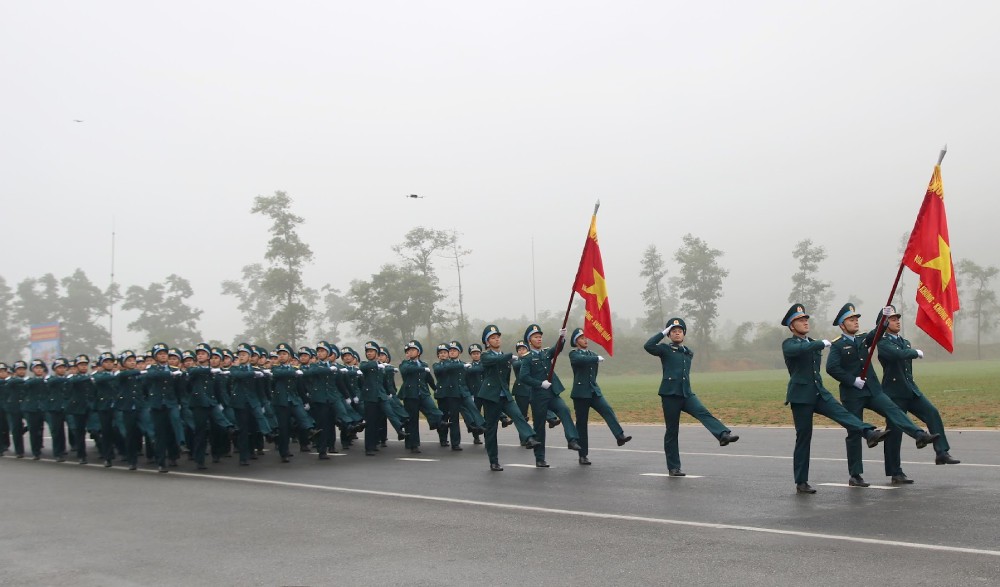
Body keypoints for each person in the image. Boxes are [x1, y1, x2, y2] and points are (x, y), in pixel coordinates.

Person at [825, 303, 939, 487]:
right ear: (842, 325)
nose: (855, 322)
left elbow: (876, 334)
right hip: (853, 394)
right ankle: (855, 475)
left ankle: (919, 434)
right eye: (851, 320)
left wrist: (885, 319)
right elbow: (831, 368)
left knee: (893, 410)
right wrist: (852, 380)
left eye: (856, 319)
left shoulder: (863, 338)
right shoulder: (837, 345)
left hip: (872, 390)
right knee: (854, 432)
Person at [780, 304, 889, 494]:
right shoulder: (789, 344)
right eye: (800, 320)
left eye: (806, 319)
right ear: (791, 326)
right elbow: (799, 350)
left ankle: (868, 432)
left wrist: (883, 321)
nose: (805, 322)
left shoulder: (812, 342)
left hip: (819, 392)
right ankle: (801, 482)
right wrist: (819, 343)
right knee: (804, 438)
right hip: (801, 396)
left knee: (843, 414)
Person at [643, 318, 738, 477]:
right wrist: (663, 333)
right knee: (672, 431)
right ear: (669, 335)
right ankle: (674, 467)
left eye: (680, 331)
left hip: (686, 394)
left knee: (703, 412)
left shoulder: (688, 352)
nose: (677, 333)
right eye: (673, 331)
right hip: (670, 395)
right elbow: (648, 346)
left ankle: (723, 435)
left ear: (684, 334)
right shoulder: (665, 350)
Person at [878, 304, 961, 482]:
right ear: (884, 323)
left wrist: (910, 351)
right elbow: (897, 355)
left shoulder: (904, 342)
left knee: (932, 412)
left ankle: (942, 452)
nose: (897, 321)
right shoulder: (883, 343)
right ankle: (895, 472)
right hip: (894, 393)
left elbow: (904, 361)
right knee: (894, 432)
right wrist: (914, 352)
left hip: (910, 390)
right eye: (892, 319)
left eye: (897, 319)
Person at [477, 325, 541, 471]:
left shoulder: (504, 356)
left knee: (518, 415)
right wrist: (512, 356)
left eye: (497, 337)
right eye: (493, 338)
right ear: (487, 342)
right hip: (490, 396)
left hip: (504, 394)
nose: (497, 339)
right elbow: (496, 360)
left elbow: (506, 377)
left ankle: (529, 437)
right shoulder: (485, 355)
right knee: (491, 429)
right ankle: (493, 461)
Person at [519, 324, 581, 468]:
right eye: (536, 337)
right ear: (529, 341)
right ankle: (540, 458)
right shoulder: (527, 358)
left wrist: (562, 337)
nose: (539, 339)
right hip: (538, 396)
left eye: (540, 336)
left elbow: (557, 349)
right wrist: (540, 384)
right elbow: (523, 377)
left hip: (551, 393)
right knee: (539, 427)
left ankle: (572, 439)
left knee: (564, 409)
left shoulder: (546, 352)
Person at [568, 328, 631, 465]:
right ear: (576, 341)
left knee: (607, 409)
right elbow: (580, 360)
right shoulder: (574, 354)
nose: (585, 340)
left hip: (594, 391)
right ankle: (583, 455)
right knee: (582, 425)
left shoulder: (592, 354)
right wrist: (595, 358)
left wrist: (595, 357)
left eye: (586, 337)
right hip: (580, 394)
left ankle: (620, 435)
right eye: (582, 338)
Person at [397, 340, 442, 454]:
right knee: (412, 420)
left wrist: (435, 388)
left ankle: (438, 422)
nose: (410, 352)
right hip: (410, 395)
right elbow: (406, 370)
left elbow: (429, 379)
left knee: (433, 409)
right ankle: (413, 444)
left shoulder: (423, 364)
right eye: (409, 350)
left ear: (419, 352)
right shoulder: (405, 364)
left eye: (413, 350)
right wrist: (422, 369)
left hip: (422, 393)